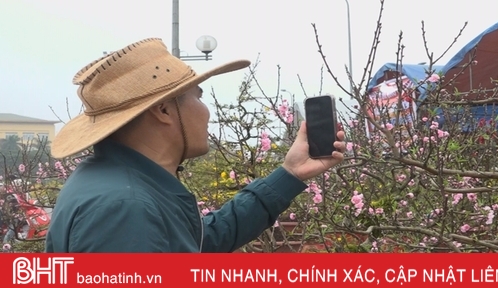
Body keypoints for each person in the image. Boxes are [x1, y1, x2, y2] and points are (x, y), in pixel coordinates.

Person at [45, 38, 345, 252]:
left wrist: (290, 174)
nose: (206, 111)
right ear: (163, 111)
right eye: (198, 97)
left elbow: (200, 243)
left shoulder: (123, 184)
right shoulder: (126, 210)